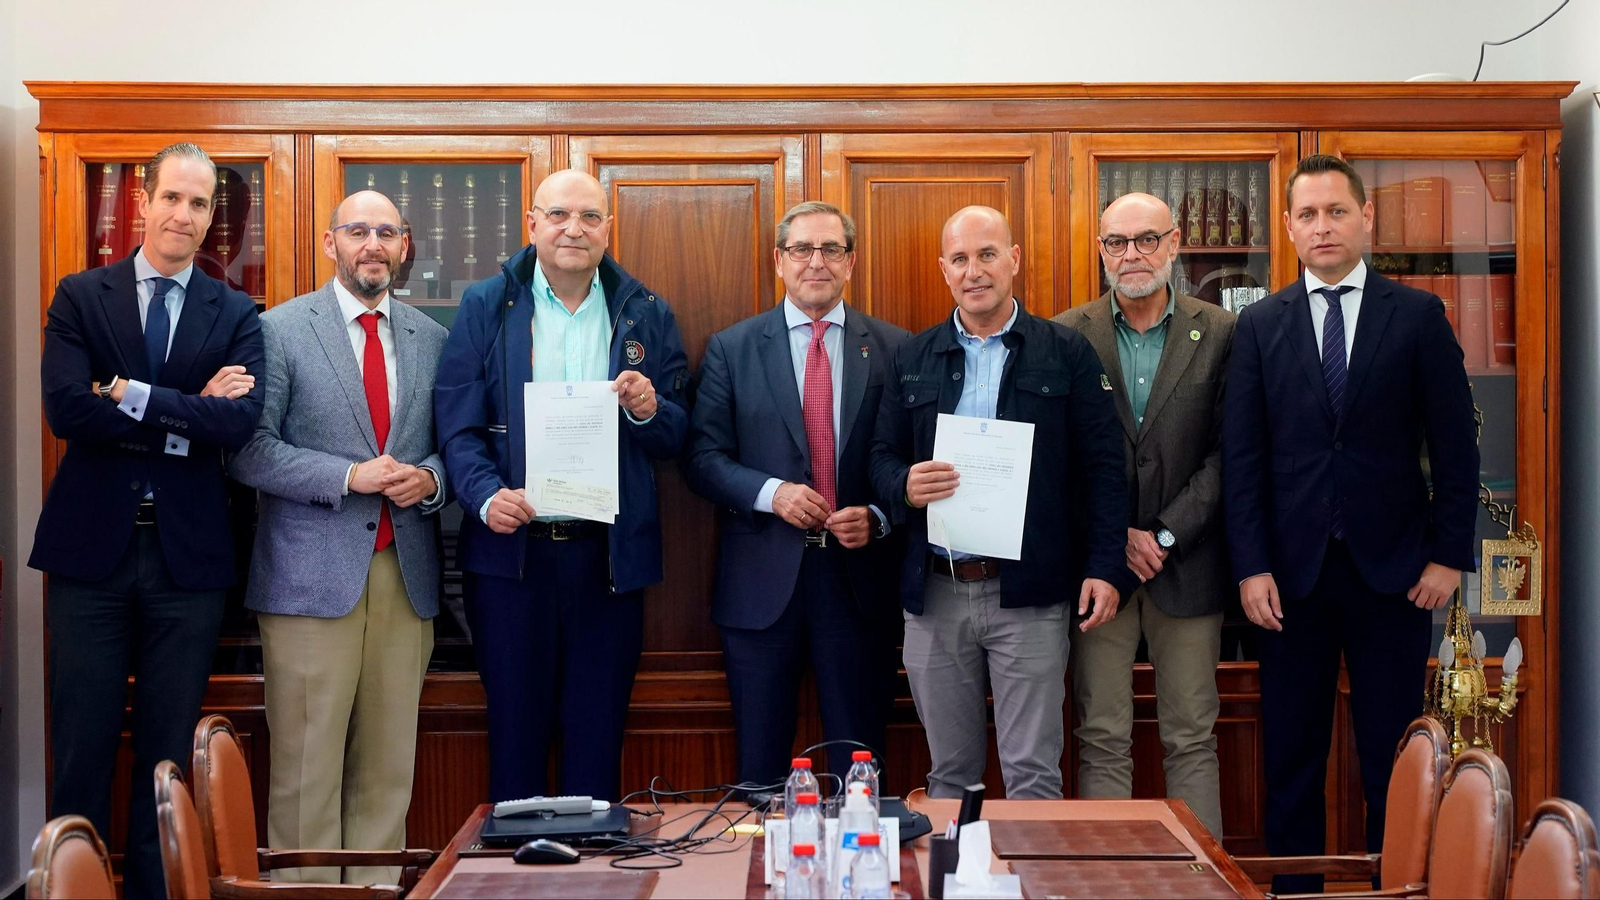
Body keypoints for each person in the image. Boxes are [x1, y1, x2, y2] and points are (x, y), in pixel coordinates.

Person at [1222, 154, 1479, 894]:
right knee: (1291, 758)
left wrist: (1448, 555)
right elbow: (1243, 459)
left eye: (1336, 211)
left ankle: (1394, 887)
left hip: (1396, 575)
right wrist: (1251, 565)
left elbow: (1456, 445)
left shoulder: (1418, 316)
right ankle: (1295, 892)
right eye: (1308, 214)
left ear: (1365, 218)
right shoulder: (1262, 325)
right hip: (1289, 580)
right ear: (1289, 228)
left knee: (1393, 757)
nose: (1323, 225)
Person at [31, 142, 264, 899]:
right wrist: (186, 412)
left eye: (201, 205)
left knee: (168, 757)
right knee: (82, 748)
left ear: (210, 221)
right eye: (174, 198)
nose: (185, 215)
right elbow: (68, 410)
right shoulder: (80, 296)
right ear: (143, 201)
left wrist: (128, 394)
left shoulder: (234, 312)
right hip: (88, 555)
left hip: (186, 561)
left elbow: (238, 425)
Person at [434, 169, 689, 802]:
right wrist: (486, 496)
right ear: (532, 225)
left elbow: (680, 434)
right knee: (515, 739)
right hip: (512, 559)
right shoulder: (485, 304)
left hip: (608, 559)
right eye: (558, 215)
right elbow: (456, 425)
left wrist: (651, 408)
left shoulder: (646, 312)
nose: (574, 228)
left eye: (589, 217)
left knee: (597, 738)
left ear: (609, 227)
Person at [869, 205, 1133, 799]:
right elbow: (879, 458)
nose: (974, 271)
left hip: (1029, 595)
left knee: (1033, 776)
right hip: (935, 594)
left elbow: (1104, 471)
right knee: (948, 777)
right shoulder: (913, 357)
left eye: (987, 254)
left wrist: (1105, 567)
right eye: (960, 259)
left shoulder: (1066, 353)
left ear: (1014, 260)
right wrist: (904, 484)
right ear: (944, 270)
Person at [228, 190, 449, 884]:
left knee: (388, 771)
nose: (373, 245)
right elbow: (249, 452)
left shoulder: (432, 339)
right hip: (307, 582)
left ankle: (377, 892)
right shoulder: (280, 330)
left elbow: (453, 446)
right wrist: (351, 475)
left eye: (387, 232)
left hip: (404, 577)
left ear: (404, 247)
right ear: (331, 244)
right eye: (358, 231)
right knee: (306, 772)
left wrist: (431, 480)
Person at [685, 201, 909, 790]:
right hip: (760, 584)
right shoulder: (732, 348)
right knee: (758, 770)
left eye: (830, 249)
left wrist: (881, 517)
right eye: (802, 249)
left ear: (851, 261)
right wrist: (772, 493)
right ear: (779, 260)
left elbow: (911, 463)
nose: (817, 261)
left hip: (859, 584)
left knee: (860, 767)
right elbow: (703, 459)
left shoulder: (893, 348)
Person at [1055, 191, 1234, 838]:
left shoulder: (1220, 331)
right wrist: (1112, 539)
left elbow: (1229, 454)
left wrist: (1162, 532)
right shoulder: (1068, 333)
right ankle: (1108, 882)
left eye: (1146, 239)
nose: (1132, 255)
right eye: (1116, 242)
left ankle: (1202, 882)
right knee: (1101, 735)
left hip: (1188, 564)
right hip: (1099, 573)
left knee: (1192, 736)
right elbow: (1060, 461)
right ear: (1101, 249)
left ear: (1176, 241)